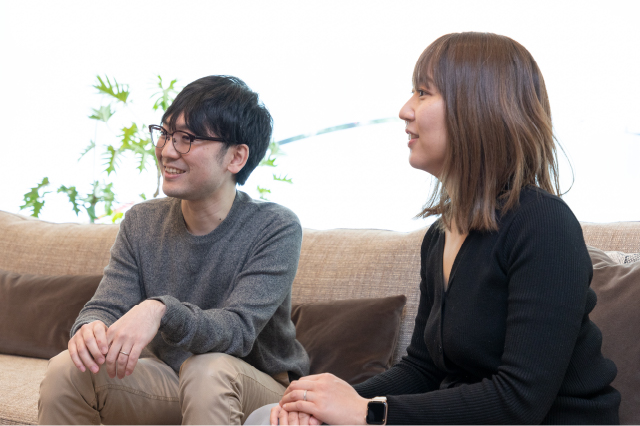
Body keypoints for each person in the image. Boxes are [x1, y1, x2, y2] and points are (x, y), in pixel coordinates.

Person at [258, 32, 620, 425]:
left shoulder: (543, 224)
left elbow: (520, 401)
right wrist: (326, 404)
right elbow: (422, 369)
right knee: (269, 417)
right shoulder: (439, 236)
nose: (404, 110)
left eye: (423, 92)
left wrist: (368, 412)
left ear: (477, 107)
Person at [38, 75, 310, 425]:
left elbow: (237, 331)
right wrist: (91, 327)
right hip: (174, 378)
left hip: (260, 389)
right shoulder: (142, 221)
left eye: (187, 139)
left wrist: (160, 310)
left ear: (236, 157)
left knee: (208, 369)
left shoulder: (275, 227)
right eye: (166, 134)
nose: (167, 150)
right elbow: (107, 305)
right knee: (68, 369)